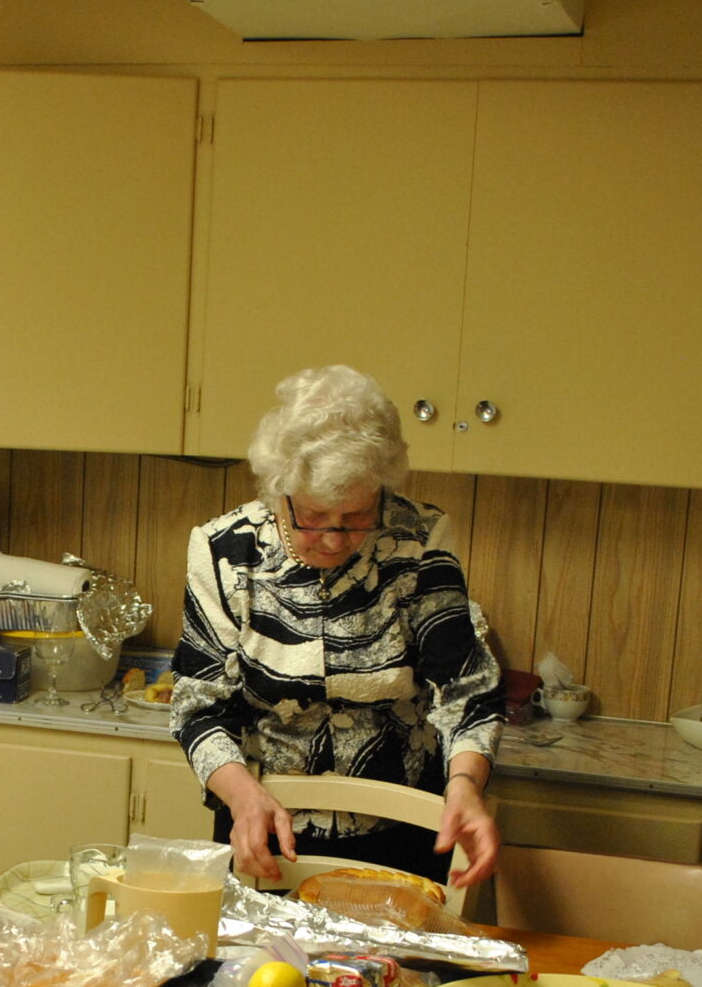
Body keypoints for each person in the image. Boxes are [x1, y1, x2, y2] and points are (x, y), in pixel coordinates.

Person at [172, 366, 504, 889]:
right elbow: (198, 707)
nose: (333, 538)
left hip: (402, 835)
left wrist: (464, 785)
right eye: (313, 515)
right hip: (263, 825)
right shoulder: (224, 550)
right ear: (280, 489)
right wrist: (242, 797)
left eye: (355, 516)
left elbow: (465, 692)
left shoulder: (420, 540)